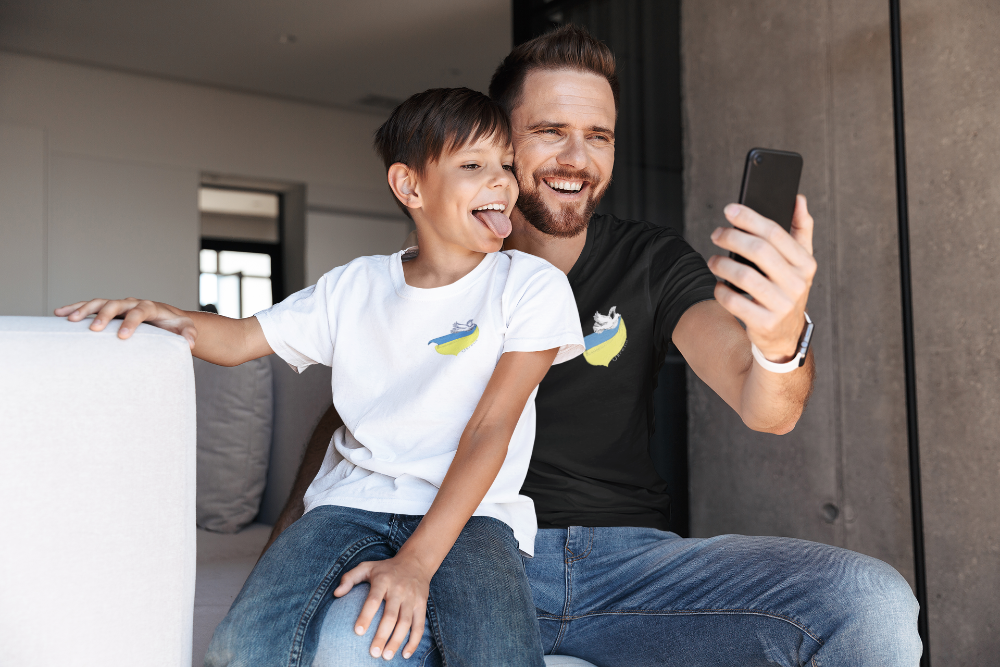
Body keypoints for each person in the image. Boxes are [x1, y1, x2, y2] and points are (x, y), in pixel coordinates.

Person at [273, 26, 923, 666]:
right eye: (551, 131)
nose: (577, 159)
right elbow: (351, 417)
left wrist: (780, 335)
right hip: (467, 554)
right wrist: (281, 563)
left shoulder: (652, 260)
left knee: (870, 600)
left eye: (599, 137)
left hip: (632, 570)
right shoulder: (434, 273)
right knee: (343, 648)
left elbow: (767, 407)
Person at [55, 87, 586, 666]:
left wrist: (416, 563)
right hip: (346, 502)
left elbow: (491, 428)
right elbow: (237, 341)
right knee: (239, 647)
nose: (502, 182)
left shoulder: (530, 285)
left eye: (506, 165)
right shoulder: (353, 286)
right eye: (473, 166)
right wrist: (169, 315)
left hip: (475, 515)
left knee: (497, 655)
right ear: (409, 186)